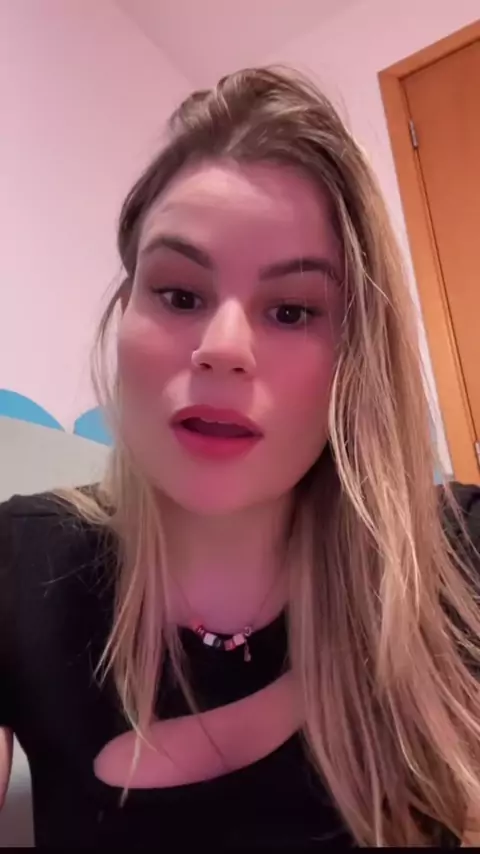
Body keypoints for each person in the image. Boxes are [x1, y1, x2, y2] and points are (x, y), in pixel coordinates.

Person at [1, 66, 480, 850]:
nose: (223, 348)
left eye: (291, 310)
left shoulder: (455, 561)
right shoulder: (18, 563)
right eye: (180, 295)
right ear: (125, 312)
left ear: (355, 356)